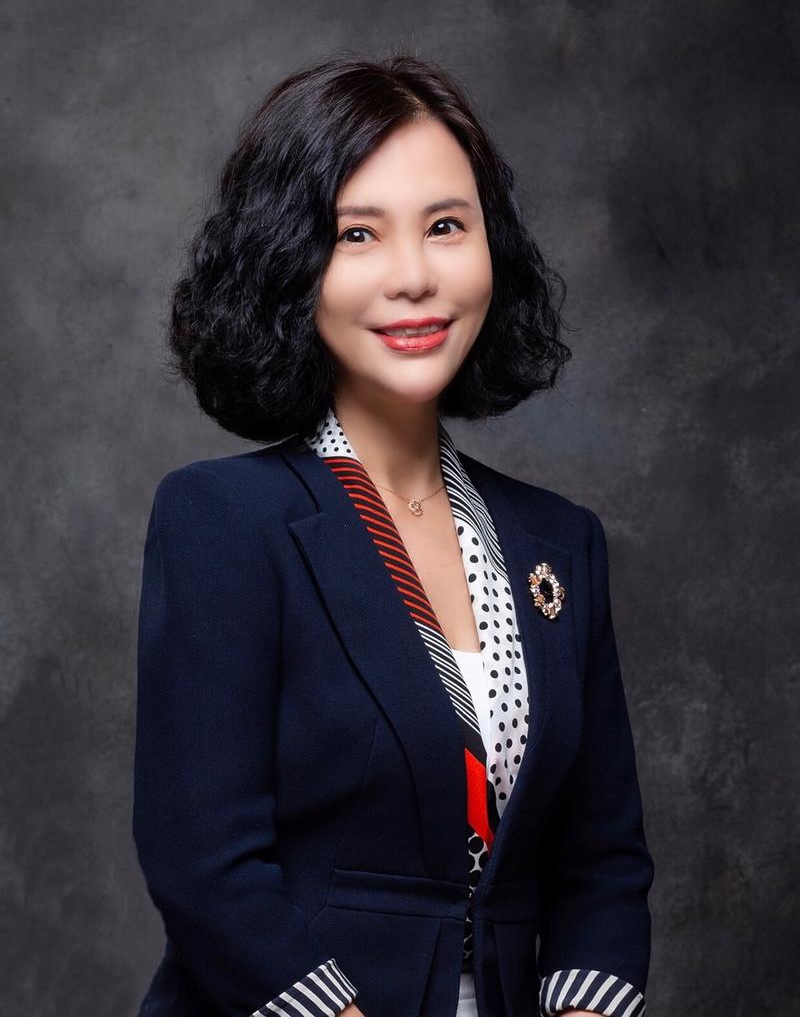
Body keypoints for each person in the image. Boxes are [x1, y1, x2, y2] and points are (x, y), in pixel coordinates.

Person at [132, 52, 655, 1017]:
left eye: (446, 226)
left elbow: (604, 859)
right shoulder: (223, 521)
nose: (415, 276)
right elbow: (205, 863)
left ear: (492, 247)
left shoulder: (561, 542)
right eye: (357, 234)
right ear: (292, 264)